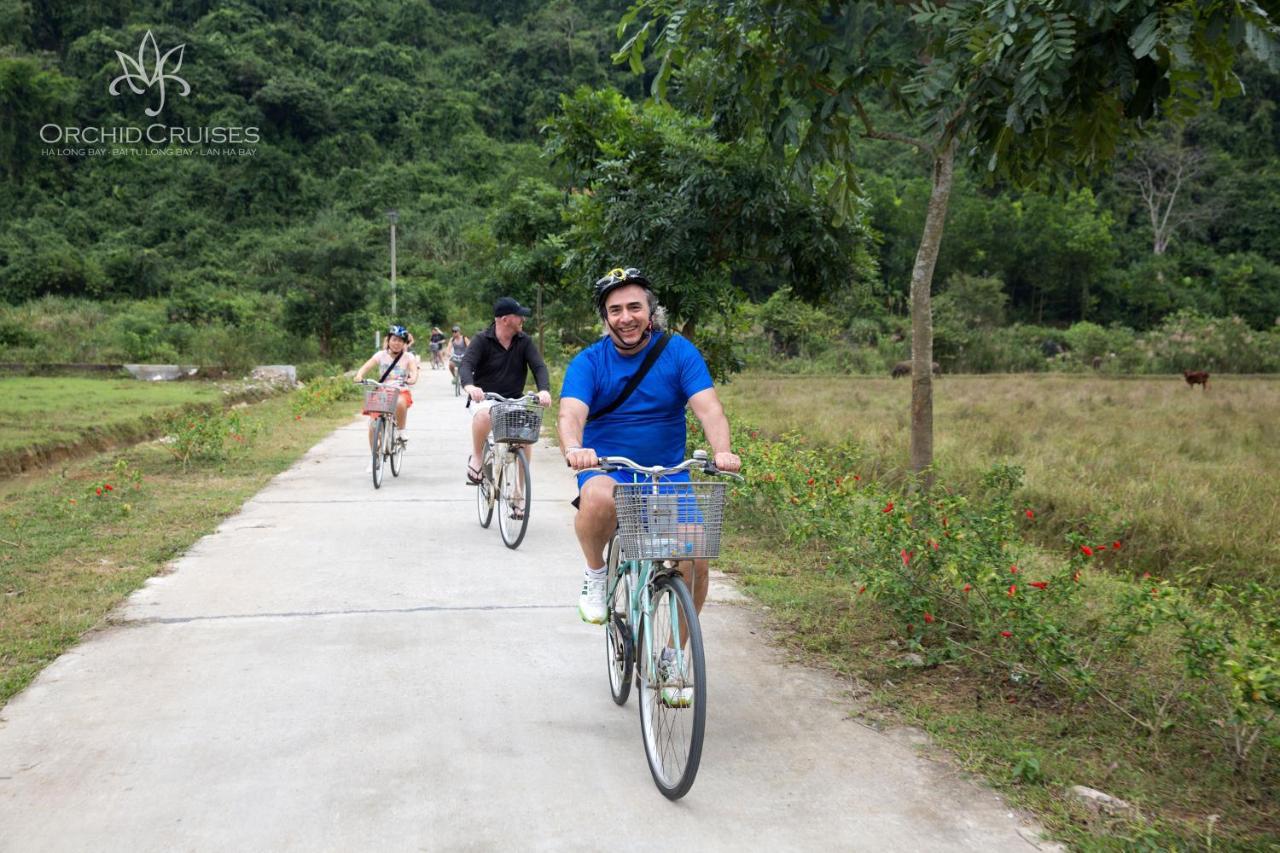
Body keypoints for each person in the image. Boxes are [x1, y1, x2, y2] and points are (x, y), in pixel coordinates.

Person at [559, 268, 741, 626]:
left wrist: (723, 451)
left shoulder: (679, 353)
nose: (625, 318)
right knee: (597, 498)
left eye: (634, 307)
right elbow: (570, 414)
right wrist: (574, 448)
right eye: (615, 310)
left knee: (695, 562)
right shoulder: (589, 362)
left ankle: (674, 661)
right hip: (608, 468)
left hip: (667, 474)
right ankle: (596, 575)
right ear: (605, 318)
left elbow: (710, 409)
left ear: (651, 311)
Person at [459, 297, 552, 485]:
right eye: (519, 316)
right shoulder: (481, 340)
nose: (523, 320)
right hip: (485, 399)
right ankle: (477, 457)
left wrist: (544, 390)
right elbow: (466, 365)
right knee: (485, 415)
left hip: (514, 400)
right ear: (505, 319)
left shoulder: (524, 341)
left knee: (525, 435)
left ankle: (519, 492)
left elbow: (539, 367)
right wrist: (470, 386)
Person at [354, 325, 419, 449]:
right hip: (382, 391)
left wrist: (412, 378)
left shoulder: (408, 357)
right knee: (373, 425)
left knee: (400, 402)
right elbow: (367, 366)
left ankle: (401, 431)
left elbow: (414, 370)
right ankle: (374, 457)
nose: (396, 343)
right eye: (394, 339)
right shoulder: (381, 355)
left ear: (404, 343)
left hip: (400, 390)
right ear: (388, 340)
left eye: (400, 341)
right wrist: (359, 375)